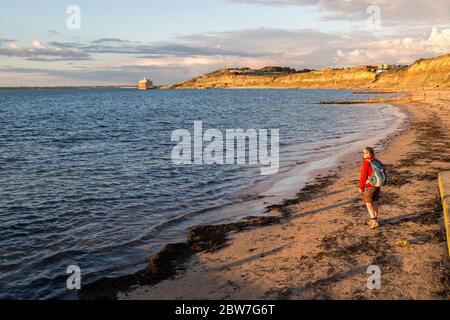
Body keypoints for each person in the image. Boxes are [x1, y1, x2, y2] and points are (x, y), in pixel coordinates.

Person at [359, 147, 381, 229]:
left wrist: (361, 187)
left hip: (369, 186)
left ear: (368, 153)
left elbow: (363, 176)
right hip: (377, 185)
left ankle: (374, 220)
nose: (363, 154)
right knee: (375, 203)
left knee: (368, 203)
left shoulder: (366, 162)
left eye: (364, 153)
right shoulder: (376, 161)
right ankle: (374, 220)